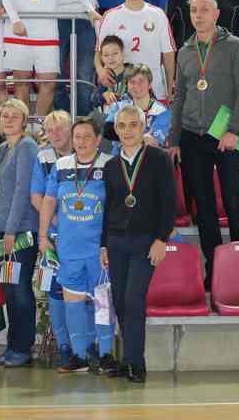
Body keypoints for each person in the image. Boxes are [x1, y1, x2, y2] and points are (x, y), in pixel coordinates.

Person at [169, 0, 239, 289]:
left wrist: (234, 130)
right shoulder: (185, 51)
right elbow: (179, 98)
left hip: (226, 137)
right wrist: (174, 139)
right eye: (194, 10)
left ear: (216, 14)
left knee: (233, 202)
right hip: (193, 138)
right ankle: (215, 269)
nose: (198, 15)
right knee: (203, 207)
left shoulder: (233, 46)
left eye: (204, 10)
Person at [103, 104, 177, 383]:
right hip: (116, 242)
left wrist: (161, 239)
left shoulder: (159, 159)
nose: (128, 131)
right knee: (120, 302)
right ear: (116, 129)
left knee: (134, 300)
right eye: (122, 126)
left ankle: (136, 363)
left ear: (143, 126)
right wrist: (103, 245)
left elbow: (169, 202)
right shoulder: (111, 166)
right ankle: (128, 360)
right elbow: (108, 208)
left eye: (133, 125)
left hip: (146, 241)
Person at [40, 118, 116, 374]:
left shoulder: (109, 164)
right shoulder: (61, 166)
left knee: (103, 303)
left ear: (98, 139)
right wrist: (43, 236)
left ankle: (105, 355)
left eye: (87, 137)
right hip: (69, 249)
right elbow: (49, 201)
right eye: (77, 137)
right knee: (72, 302)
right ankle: (79, 356)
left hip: (99, 250)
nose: (81, 142)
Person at [0, 99, 40, 368]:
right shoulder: (1, 149)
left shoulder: (26, 146)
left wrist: (10, 231)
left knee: (20, 290)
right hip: (1, 231)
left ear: (24, 121)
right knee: (9, 290)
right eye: (4, 116)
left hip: (19, 232)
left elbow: (22, 191)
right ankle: (12, 346)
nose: (8, 120)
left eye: (14, 116)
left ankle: (23, 348)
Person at [30, 110, 74, 369]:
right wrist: (56, 221)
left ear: (71, 129)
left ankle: (85, 346)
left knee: (83, 292)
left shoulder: (85, 153)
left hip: (84, 236)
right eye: (50, 130)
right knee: (55, 292)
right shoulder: (43, 157)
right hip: (55, 235)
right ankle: (64, 347)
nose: (55, 134)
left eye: (60, 128)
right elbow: (36, 197)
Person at [95, 0, 176, 101]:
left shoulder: (158, 14)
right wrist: (100, 70)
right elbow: (98, 51)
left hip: (153, 88)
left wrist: (169, 90)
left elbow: (168, 54)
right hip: (120, 90)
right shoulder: (110, 16)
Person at [103, 64, 171, 153]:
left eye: (141, 81)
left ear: (149, 85)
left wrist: (124, 133)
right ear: (127, 86)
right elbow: (108, 132)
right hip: (119, 157)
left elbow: (152, 141)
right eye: (132, 82)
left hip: (146, 157)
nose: (136, 85)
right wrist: (142, 137)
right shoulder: (119, 106)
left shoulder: (161, 111)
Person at [93, 35, 127, 110]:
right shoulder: (105, 76)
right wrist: (103, 96)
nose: (110, 58)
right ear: (101, 58)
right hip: (108, 115)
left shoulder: (132, 73)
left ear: (123, 54)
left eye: (115, 53)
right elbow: (94, 101)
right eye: (106, 55)